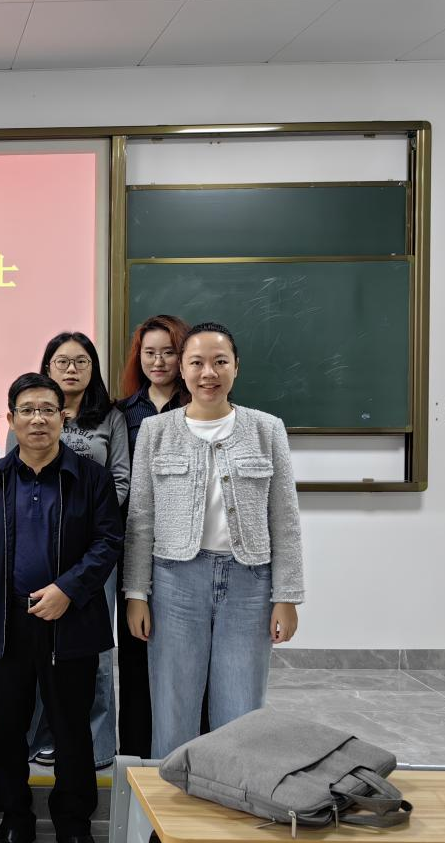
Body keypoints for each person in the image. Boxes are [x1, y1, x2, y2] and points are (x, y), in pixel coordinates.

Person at [125, 322, 305, 759]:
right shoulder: (156, 431)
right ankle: (171, 800)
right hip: (175, 582)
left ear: (236, 367)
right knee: (173, 705)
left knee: (242, 708)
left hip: (249, 583)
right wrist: (136, 593)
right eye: (197, 363)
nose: (209, 373)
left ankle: (231, 795)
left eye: (220, 362)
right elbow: (140, 518)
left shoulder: (266, 429)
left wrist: (286, 596)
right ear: (183, 370)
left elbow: (284, 518)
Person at [0, 372, 122, 843]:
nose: (38, 419)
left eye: (48, 410)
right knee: (7, 727)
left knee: (71, 726)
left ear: (64, 416)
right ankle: (14, 818)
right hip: (7, 621)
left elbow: (108, 542)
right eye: (28, 410)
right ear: (10, 419)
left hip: (70, 620)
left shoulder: (91, 477)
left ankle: (74, 822)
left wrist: (67, 590)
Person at [24, 333, 129, 770]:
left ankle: (96, 744)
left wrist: (84, 523)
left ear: (93, 368)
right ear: (48, 367)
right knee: (40, 647)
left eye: (81, 361)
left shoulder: (111, 417)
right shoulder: (33, 412)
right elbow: (19, 474)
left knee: (95, 651)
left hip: (93, 553)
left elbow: (121, 479)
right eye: (62, 361)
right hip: (40, 549)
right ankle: (44, 736)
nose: (71, 369)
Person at [114, 314, 189, 758]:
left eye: (168, 352)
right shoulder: (122, 413)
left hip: (189, 549)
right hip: (135, 545)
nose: (158, 362)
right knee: (136, 656)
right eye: (149, 353)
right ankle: (137, 757)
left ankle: (186, 753)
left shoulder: (201, 408)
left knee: (186, 660)